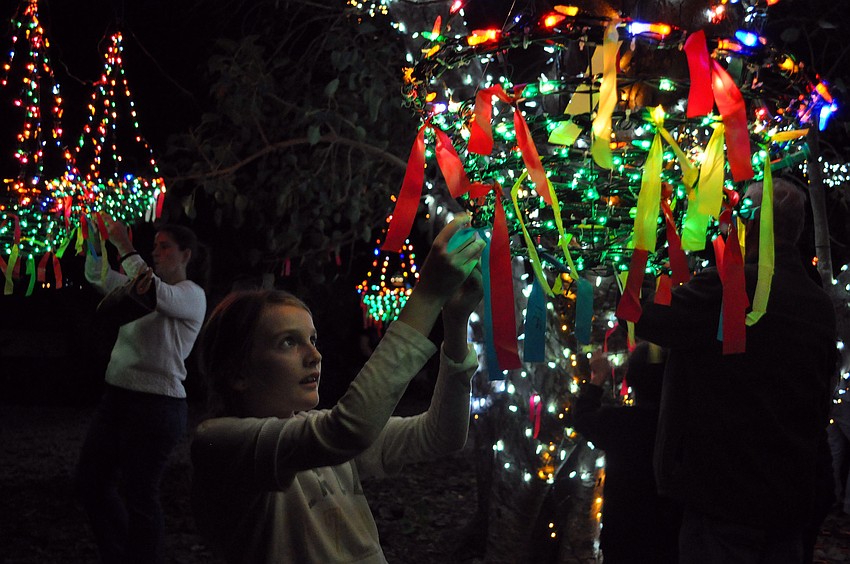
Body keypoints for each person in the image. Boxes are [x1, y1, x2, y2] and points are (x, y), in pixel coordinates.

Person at [190, 214, 485, 563]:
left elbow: (442, 436)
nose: (314, 355)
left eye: (312, 340)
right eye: (288, 342)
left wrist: (454, 323)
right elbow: (350, 429)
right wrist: (427, 295)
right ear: (237, 372)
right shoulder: (219, 442)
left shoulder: (316, 431)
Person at [629, 177, 838, 563]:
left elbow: (646, 317)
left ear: (751, 223)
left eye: (737, 214)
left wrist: (644, 254)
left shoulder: (731, 286)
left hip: (723, 496)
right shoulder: (818, 304)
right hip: (789, 499)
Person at [75, 215, 207, 564]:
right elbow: (98, 276)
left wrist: (123, 244)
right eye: (155, 246)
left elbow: (153, 289)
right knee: (91, 481)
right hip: (117, 397)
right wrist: (93, 238)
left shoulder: (190, 295)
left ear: (186, 255)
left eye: (165, 247)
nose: (157, 252)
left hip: (157, 406)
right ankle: (119, 555)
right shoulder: (141, 288)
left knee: (140, 493)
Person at [573, 343, 679, 564]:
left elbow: (583, 417)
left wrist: (598, 377)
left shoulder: (620, 423)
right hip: (669, 539)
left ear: (629, 381)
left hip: (622, 538)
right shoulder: (680, 426)